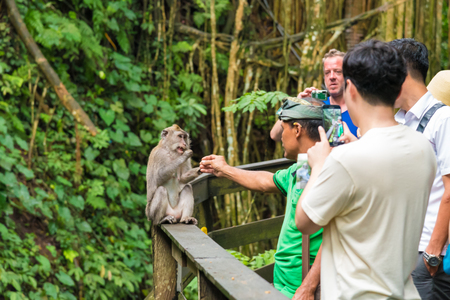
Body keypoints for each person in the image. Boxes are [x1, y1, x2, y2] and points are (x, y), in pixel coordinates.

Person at [294, 40, 437, 299]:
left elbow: (304, 222)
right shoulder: (423, 148)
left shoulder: (346, 160)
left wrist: (317, 166)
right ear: (397, 90)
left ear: (350, 88)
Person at [200, 99, 323, 298]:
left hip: (307, 290)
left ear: (297, 129)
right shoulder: (300, 168)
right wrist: (225, 169)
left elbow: (335, 236)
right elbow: (265, 182)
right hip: (284, 285)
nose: (281, 136)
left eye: (283, 129)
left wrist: (308, 288)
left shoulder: (327, 172)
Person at [390, 38, 450, 299]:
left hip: (426, 252)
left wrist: (432, 255)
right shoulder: (399, 119)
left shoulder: (443, 118)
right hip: (401, 247)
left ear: (401, 73)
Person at [270, 49, 358, 141]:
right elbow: (275, 135)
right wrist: (295, 104)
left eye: (337, 71)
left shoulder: (360, 106)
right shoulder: (315, 105)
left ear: (347, 75)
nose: (332, 77)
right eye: (327, 73)